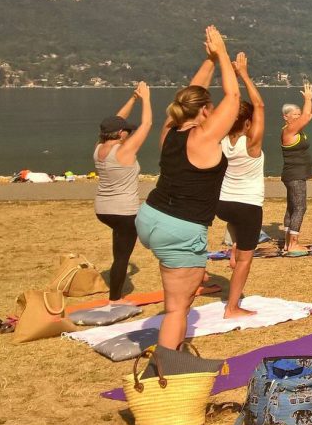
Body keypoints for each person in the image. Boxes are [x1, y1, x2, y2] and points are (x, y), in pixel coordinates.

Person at [134, 26, 239, 350]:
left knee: (176, 303)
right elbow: (234, 98)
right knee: (177, 309)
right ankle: (166, 369)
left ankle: (172, 356)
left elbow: (190, 94)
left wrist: (207, 61)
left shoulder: (170, 131)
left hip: (150, 216)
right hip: (179, 228)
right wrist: (222, 54)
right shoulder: (204, 137)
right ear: (205, 111)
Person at [215, 53, 265, 319]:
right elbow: (260, 105)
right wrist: (244, 73)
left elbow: (231, 110)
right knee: (246, 259)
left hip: (223, 204)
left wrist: (231, 79)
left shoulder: (221, 140)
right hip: (247, 205)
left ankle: (234, 249)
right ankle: (232, 307)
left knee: (238, 236)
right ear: (247, 123)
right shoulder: (251, 144)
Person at [94, 81, 152, 301]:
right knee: (121, 258)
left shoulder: (99, 148)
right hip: (124, 212)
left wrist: (133, 99)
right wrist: (146, 98)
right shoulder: (124, 150)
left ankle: (115, 295)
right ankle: (115, 300)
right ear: (120, 134)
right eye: (126, 131)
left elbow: (115, 121)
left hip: (103, 210)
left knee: (119, 248)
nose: (128, 133)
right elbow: (147, 124)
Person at [279, 83, 312, 254]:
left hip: (294, 175)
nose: (299, 117)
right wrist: (307, 99)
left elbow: (309, 115)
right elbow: (308, 116)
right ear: (286, 117)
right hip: (294, 175)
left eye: (299, 114)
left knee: (292, 207)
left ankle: (287, 243)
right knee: (300, 207)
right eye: (295, 114)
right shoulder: (289, 131)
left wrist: (309, 103)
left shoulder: (297, 130)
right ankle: (293, 244)